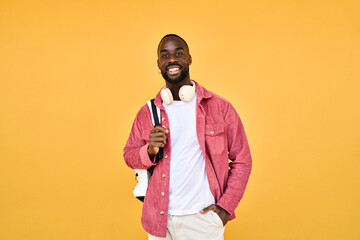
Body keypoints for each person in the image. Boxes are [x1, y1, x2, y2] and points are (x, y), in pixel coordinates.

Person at [123, 34, 252, 240]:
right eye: (165, 55)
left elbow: (243, 159)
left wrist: (225, 208)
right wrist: (148, 151)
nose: (172, 59)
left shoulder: (220, 108)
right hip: (159, 221)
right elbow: (129, 156)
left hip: (202, 221)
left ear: (189, 58)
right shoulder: (147, 112)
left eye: (179, 53)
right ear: (159, 63)